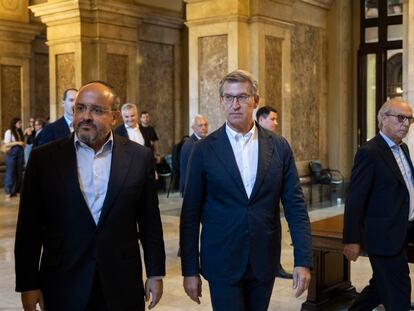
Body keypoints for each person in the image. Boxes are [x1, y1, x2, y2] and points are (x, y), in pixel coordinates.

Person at [14, 81, 166, 311]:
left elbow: (149, 222)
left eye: (96, 110)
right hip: (63, 282)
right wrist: (28, 284)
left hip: (121, 282)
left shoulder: (138, 157)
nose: (86, 116)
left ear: (114, 118)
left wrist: (155, 273)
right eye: (80, 108)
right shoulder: (43, 159)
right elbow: (29, 228)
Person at [180, 69, 312, 311]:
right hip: (221, 259)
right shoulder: (204, 150)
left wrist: (303, 260)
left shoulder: (278, 147)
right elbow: (190, 214)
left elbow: (295, 206)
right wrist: (190, 270)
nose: (235, 104)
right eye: (228, 98)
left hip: (263, 259)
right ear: (221, 101)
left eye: (242, 97)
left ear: (256, 101)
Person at [343, 98, 414, 310]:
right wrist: (352, 239)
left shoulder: (404, 149)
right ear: (383, 118)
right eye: (401, 118)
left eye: (410, 119)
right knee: (398, 289)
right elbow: (355, 200)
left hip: (405, 227)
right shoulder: (370, 152)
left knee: (380, 286)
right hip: (383, 234)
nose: (406, 124)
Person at [256, 105, 292, 280]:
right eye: (272, 119)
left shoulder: (279, 144)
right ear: (261, 120)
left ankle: (275, 265)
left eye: (276, 119)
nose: (276, 123)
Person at [179, 114, 208, 193]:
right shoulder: (191, 145)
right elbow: (193, 171)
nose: (204, 128)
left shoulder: (203, 141)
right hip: (192, 188)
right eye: (200, 125)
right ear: (193, 128)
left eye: (205, 125)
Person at [3, 117, 25, 200]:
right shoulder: (9, 132)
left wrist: (22, 144)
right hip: (12, 153)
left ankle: (18, 190)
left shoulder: (19, 132)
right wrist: (17, 142)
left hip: (20, 152)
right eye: (19, 123)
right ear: (14, 123)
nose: (21, 124)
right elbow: (6, 144)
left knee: (19, 172)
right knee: (10, 172)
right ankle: (8, 191)